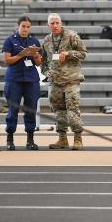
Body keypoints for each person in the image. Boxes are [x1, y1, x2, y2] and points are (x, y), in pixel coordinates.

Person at [41, 13, 87, 150]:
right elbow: (43, 61)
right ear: (48, 25)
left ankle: (78, 138)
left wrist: (68, 53)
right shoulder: (47, 40)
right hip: (55, 81)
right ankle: (62, 139)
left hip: (71, 79)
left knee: (72, 110)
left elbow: (83, 53)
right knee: (58, 111)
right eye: (52, 23)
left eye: (57, 23)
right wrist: (46, 72)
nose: (55, 26)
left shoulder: (71, 36)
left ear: (61, 23)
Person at [1, 16, 41, 150]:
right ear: (18, 26)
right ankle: (10, 139)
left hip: (31, 80)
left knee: (31, 109)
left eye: (28, 27)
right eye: (23, 26)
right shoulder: (10, 40)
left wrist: (35, 55)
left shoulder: (34, 41)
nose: (25, 29)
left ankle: (30, 140)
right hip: (14, 79)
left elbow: (39, 62)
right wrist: (21, 55)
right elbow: (6, 61)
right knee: (13, 109)